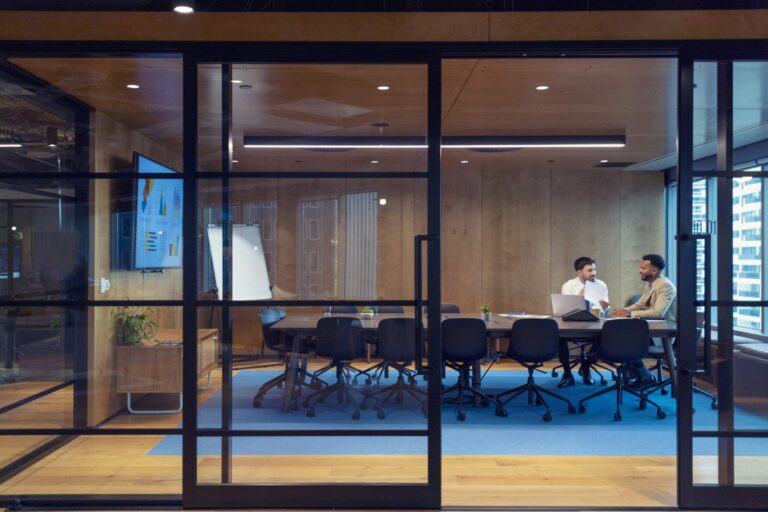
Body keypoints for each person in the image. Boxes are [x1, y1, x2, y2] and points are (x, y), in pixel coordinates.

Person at [612, 253, 677, 386]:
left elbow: (658, 312)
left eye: (643, 268)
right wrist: (623, 312)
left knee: (627, 340)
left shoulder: (665, 286)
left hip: (665, 332)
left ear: (654, 270)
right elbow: (640, 304)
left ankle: (642, 374)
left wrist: (629, 315)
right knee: (623, 335)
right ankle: (636, 372)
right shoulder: (651, 284)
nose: (640, 270)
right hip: (653, 328)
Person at [557, 257, 610, 388]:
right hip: (571, 325)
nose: (594, 273)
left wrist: (605, 307)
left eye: (595, 269)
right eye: (590, 270)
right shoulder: (568, 285)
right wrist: (584, 292)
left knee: (606, 337)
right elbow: (566, 309)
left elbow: (604, 311)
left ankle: (585, 367)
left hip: (594, 324)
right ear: (579, 272)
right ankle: (567, 374)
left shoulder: (601, 284)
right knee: (559, 337)